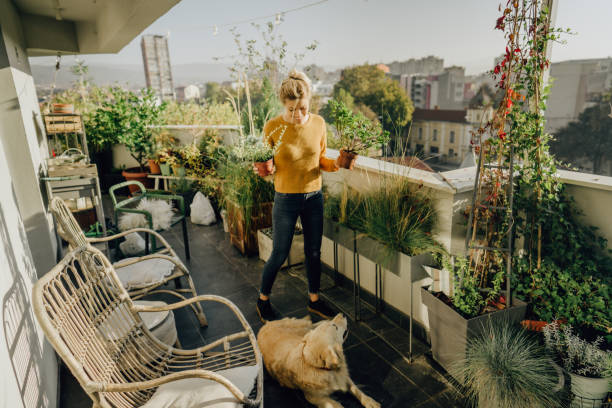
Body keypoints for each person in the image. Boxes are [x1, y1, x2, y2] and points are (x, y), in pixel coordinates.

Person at [254, 69, 344, 323]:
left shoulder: (318, 124)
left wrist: (337, 164)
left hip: (314, 197)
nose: (297, 115)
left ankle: (314, 300)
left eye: (302, 108)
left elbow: (322, 160)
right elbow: (264, 164)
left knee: (314, 252)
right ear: (283, 104)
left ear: (309, 102)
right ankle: (263, 300)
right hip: (286, 198)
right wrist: (265, 170)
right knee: (280, 252)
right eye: (291, 109)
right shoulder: (272, 127)